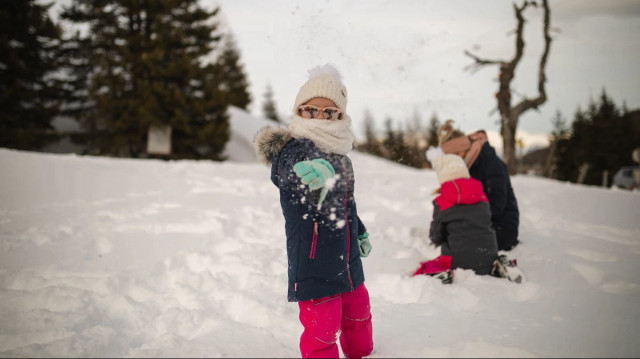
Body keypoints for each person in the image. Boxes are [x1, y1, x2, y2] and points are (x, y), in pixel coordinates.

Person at [254, 64, 373, 359]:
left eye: (329, 112)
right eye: (310, 110)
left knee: (359, 315)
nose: (319, 117)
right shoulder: (293, 149)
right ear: (299, 112)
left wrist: (358, 229)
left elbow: (345, 203)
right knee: (322, 331)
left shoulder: (341, 157)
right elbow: (288, 174)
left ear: (340, 116)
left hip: (348, 259)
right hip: (314, 260)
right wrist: (314, 171)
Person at [413, 149, 499, 279]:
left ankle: (443, 273)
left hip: (458, 264)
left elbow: (436, 236)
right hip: (488, 258)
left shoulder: (442, 201)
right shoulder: (482, 196)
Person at [438, 120, 521, 251]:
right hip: (481, 224)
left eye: (452, 156)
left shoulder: (491, 163)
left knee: (459, 243)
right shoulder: (466, 166)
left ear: (462, 151)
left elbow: (497, 205)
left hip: (501, 229)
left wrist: (465, 220)